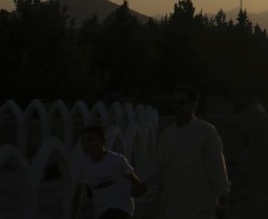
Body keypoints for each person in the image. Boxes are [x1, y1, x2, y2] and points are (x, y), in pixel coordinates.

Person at [154, 85, 231, 219]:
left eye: (181, 102)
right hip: (173, 206)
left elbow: (217, 169)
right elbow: (162, 170)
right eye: (173, 102)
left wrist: (223, 204)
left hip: (200, 207)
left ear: (193, 105)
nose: (176, 106)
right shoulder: (166, 135)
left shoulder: (206, 132)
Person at [70, 124, 147, 219]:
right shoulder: (83, 164)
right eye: (83, 141)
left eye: (90, 140)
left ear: (103, 141)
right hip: (101, 211)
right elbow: (78, 193)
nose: (86, 144)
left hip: (121, 208)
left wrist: (139, 188)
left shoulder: (116, 159)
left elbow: (135, 181)